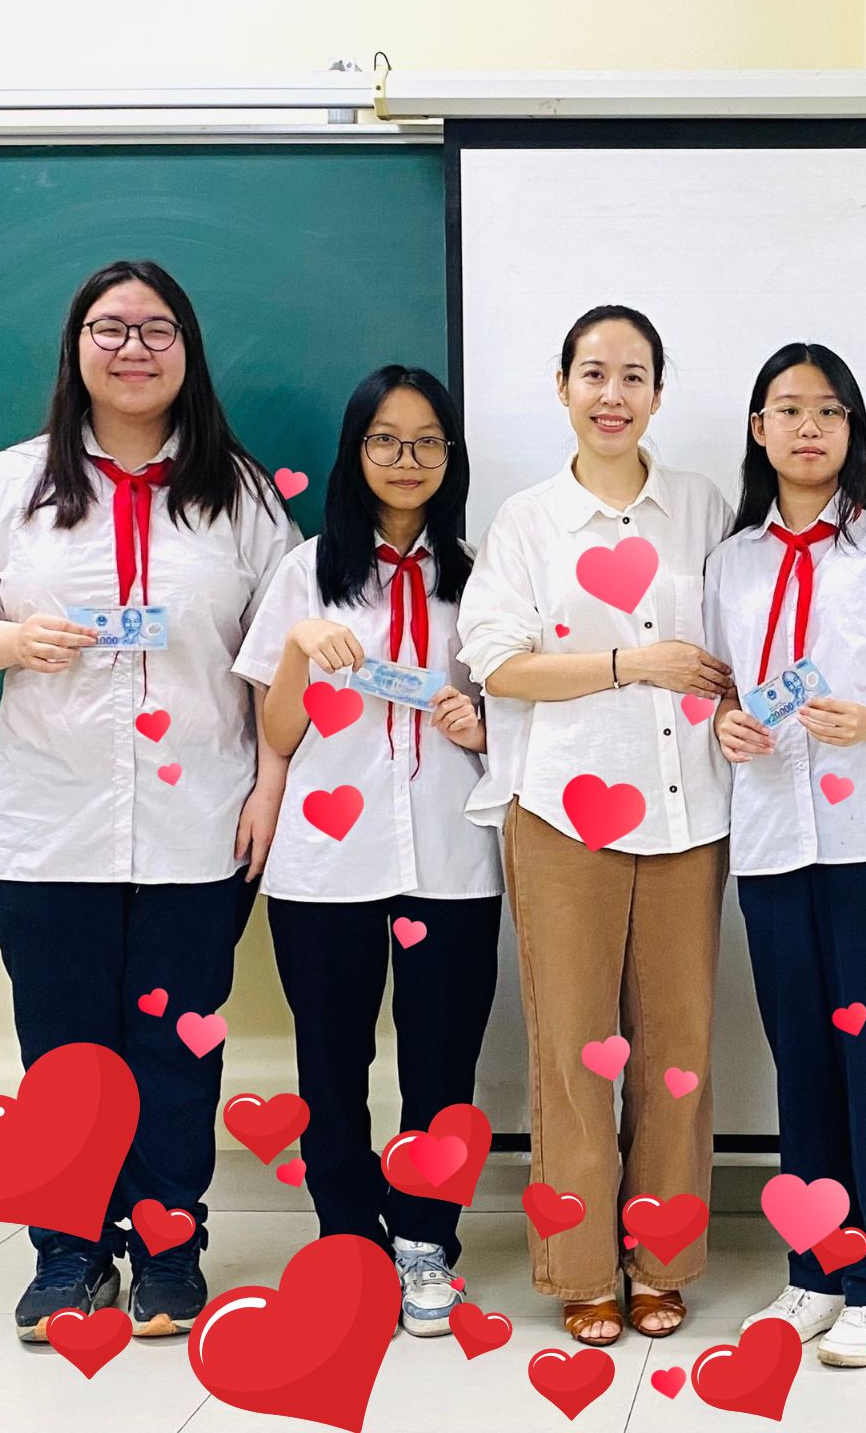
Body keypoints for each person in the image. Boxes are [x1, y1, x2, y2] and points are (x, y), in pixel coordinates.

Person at [0, 259, 296, 1341]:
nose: (134, 348)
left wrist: (270, 785)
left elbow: (279, 657)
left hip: (198, 825)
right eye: (111, 327)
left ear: (189, 350)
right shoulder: (11, 481)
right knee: (67, 1056)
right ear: (76, 345)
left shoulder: (240, 492)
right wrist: (11, 641)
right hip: (48, 826)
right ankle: (67, 1255)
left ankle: (169, 1245)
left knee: (177, 1054)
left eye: (157, 329)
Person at [457, 305, 732, 1345]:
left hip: (687, 811)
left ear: (658, 393)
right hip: (559, 816)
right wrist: (629, 663)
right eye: (592, 373)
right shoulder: (527, 520)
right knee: (572, 1055)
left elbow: (737, 638)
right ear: (562, 389)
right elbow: (497, 661)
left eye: (632, 375)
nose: (611, 393)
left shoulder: (701, 508)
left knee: (678, 1053)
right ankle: (578, 1267)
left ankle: (660, 1263)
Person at [232, 365, 501, 1337]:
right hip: (325, 864)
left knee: (440, 1067)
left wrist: (481, 725)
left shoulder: (479, 575)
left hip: (448, 860)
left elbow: (516, 718)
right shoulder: (304, 572)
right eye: (386, 439)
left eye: (428, 440)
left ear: (450, 456)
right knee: (329, 1065)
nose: (407, 459)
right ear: (356, 453)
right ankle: (347, 1238)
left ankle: (427, 1242)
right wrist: (301, 650)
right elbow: (276, 726)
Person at [706, 342, 866, 1367]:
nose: (808, 428)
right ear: (757, 431)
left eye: (829, 411)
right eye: (787, 409)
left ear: (852, 433)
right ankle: (811, 1270)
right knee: (801, 1060)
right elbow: (718, 696)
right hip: (770, 840)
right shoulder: (729, 560)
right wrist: (725, 727)